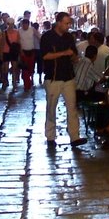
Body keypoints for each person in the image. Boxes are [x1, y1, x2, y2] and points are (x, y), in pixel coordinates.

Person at [39, 11, 86, 151]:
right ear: (58, 22)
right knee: (51, 108)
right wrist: (64, 53)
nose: (68, 26)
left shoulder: (68, 37)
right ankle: (50, 136)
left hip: (68, 77)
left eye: (69, 23)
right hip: (53, 77)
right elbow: (45, 56)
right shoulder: (47, 37)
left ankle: (74, 136)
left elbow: (74, 54)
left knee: (72, 107)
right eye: (66, 23)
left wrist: (74, 57)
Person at [1, 13, 21, 90]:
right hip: (6, 51)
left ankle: (14, 82)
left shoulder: (16, 32)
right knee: (6, 68)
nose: (11, 25)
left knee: (14, 68)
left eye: (12, 24)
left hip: (13, 52)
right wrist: (1, 53)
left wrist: (19, 53)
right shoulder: (4, 32)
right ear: (8, 24)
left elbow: (19, 43)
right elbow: (2, 43)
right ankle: (5, 81)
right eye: (10, 24)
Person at [18, 17, 38, 91]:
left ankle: (30, 80)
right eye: (23, 25)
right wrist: (21, 52)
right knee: (25, 69)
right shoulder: (19, 31)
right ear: (22, 24)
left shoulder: (32, 30)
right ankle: (27, 85)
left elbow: (39, 36)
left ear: (28, 24)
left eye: (26, 25)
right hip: (23, 52)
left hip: (31, 51)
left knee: (30, 68)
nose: (24, 26)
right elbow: (19, 42)